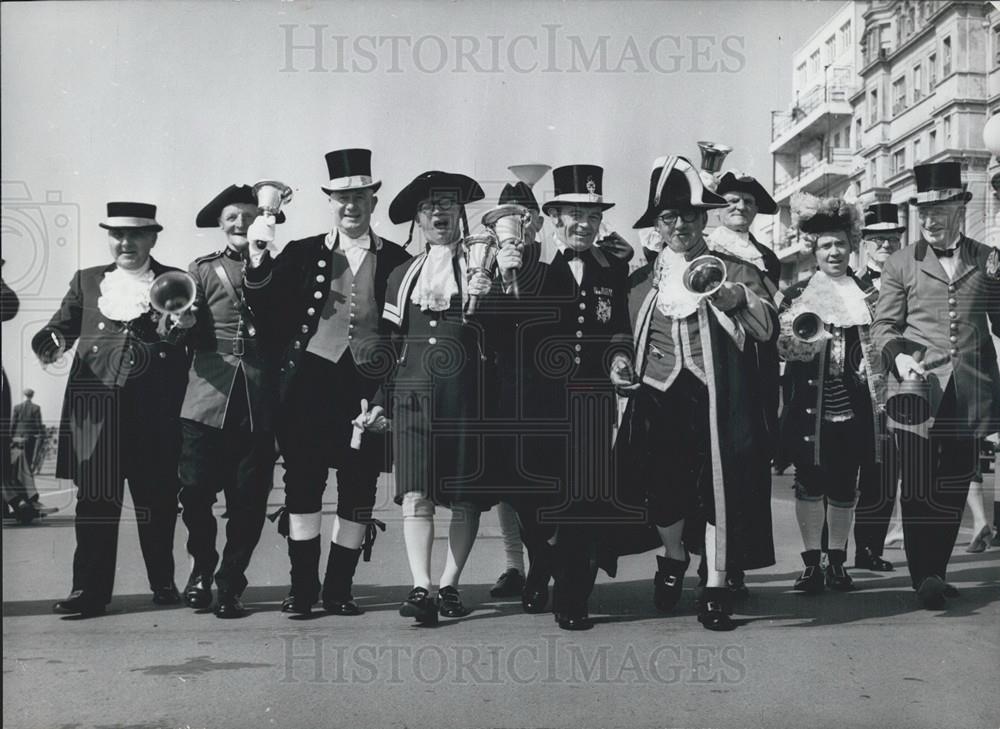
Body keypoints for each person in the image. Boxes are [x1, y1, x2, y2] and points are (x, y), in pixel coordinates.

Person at [245, 149, 410, 616]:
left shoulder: (399, 260)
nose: (350, 206)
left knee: (359, 489)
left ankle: (339, 589)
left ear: (373, 201)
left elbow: (404, 336)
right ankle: (302, 589)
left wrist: (386, 396)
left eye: (359, 197)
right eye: (342, 198)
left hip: (367, 387)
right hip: (309, 385)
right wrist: (257, 260)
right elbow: (265, 309)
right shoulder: (301, 252)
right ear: (331, 202)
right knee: (303, 485)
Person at [619, 155, 775, 631]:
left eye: (689, 215)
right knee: (663, 493)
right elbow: (623, 338)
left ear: (704, 219)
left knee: (717, 495)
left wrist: (739, 298)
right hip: (659, 397)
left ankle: (716, 585)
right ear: (658, 225)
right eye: (669, 217)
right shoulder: (641, 282)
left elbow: (767, 328)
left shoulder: (735, 268)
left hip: (717, 401)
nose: (680, 225)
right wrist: (619, 362)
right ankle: (673, 557)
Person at [490, 164, 635, 631]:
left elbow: (618, 327)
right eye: (575, 215)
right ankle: (541, 565)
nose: (584, 225)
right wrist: (501, 284)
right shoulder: (526, 264)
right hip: (535, 403)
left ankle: (573, 597)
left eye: (592, 216)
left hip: (590, 401)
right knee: (531, 501)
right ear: (554, 217)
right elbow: (499, 334)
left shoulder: (611, 268)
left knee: (582, 502)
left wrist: (619, 359)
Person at [32, 202, 188, 616]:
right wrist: (50, 342)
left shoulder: (175, 280)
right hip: (95, 408)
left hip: (154, 409)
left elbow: (185, 340)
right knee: (95, 502)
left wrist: (179, 330)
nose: (125, 243)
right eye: (117, 235)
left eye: (135, 235)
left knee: (157, 501)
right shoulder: (87, 281)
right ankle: (88, 590)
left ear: (152, 238)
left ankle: (163, 581)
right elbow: (60, 327)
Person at [367, 169, 495, 625]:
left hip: (467, 397)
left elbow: (504, 336)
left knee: (464, 497)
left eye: (446, 205)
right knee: (416, 494)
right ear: (418, 220)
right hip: (413, 396)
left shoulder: (486, 270)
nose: (438, 213)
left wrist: (494, 296)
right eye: (428, 207)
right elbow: (390, 343)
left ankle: (450, 585)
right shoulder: (402, 275)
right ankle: (421, 586)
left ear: (460, 213)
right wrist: (380, 399)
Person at [872, 161, 1000, 609]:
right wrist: (899, 355)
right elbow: (883, 326)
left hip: (970, 390)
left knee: (954, 481)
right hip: (916, 389)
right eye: (923, 212)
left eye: (938, 211)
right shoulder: (900, 262)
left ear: (958, 210)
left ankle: (937, 572)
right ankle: (923, 575)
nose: (929, 220)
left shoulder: (987, 258)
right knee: (918, 484)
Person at [167, 185, 284, 618]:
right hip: (206, 397)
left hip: (257, 400)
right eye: (232, 216)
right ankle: (201, 569)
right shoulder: (201, 269)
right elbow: (176, 327)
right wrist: (182, 322)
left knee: (248, 502)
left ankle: (231, 582)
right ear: (220, 223)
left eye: (249, 216)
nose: (240, 223)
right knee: (195, 492)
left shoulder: (280, 268)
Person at [777, 193, 887, 594]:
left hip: (854, 409)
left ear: (851, 245)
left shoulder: (869, 294)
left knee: (844, 486)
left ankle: (837, 562)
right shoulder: (796, 295)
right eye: (826, 245)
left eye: (840, 243)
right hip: (809, 409)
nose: (834, 252)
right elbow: (782, 350)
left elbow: (885, 339)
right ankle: (812, 564)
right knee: (809, 484)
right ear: (814, 249)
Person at [706, 169, 782, 596]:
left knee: (750, 462)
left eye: (749, 202)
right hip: (719, 363)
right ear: (717, 208)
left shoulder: (766, 255)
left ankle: (736, 562)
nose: (740, 207)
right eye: (731, 200)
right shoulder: (706, 248)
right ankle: (707, 561)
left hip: (758, 367)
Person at [852, 202, 905, 572]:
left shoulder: (909, 282)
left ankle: (869, 549)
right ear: (864, 243)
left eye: (892, 239)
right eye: (877, 239)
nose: (885, 245)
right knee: (843, 473)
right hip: (854, 385)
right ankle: (831, 553)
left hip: (897, 386)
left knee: (884, 472)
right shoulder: (851, 283)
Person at [12, 389, 43, 468]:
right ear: (32, 396)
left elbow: (13, 422)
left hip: (18, 434)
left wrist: (11, 434)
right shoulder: (36, 408)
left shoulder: (17, 407)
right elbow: (38, 423)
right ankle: (27, 470)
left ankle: (19, 470)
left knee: (18, 453)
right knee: (29, 453)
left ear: (24, 395)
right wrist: (40, 433)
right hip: (30, 435)